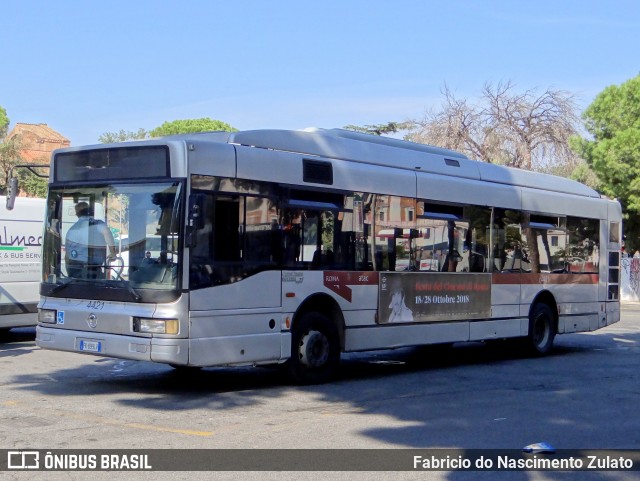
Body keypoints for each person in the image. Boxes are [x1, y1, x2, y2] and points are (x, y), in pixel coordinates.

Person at [65, 201, 116, 278]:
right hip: (94, 268)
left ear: (77, 214)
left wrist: (70, 274)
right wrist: (113, 253)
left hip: (76, 270)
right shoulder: (98, 224)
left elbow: (67, 256)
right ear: (90, 211)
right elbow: (107, 233)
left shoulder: (72, 230)